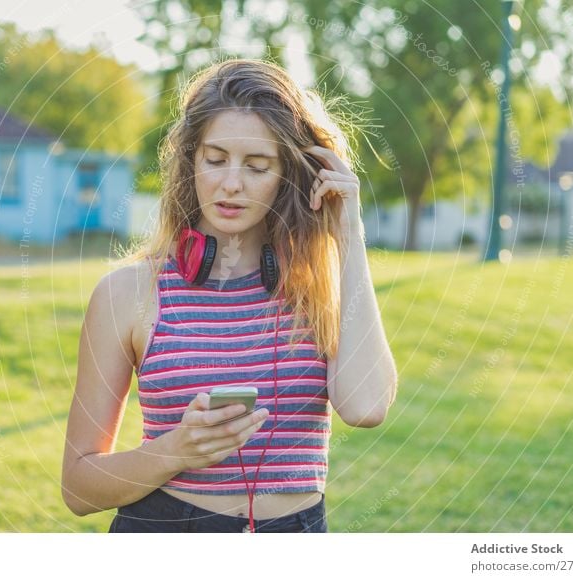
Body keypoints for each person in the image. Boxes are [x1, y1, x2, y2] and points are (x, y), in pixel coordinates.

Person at [61, 58, 398, 533]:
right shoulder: (128, 293)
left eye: (257, 166)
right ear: (190, 163)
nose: (231, 182)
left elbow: (366, 408)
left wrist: (348, 230)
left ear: (289, 175)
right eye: (215, 159)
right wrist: (175, 450)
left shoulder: (319, 290)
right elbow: (78, 487)